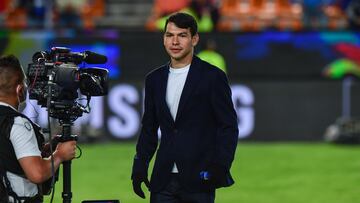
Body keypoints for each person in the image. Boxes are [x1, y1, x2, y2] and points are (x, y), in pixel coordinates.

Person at [131, 12, 238, 203]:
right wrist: (139, 166)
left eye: (182, 35)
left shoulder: (213, 77)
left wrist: (220, 166)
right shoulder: (154, 79)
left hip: (199, 180)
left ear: (194, 39)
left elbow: (228, 126)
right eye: (169, 35)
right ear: (163, 39)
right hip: (162, 181)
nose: (175, 41)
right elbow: (149, 128)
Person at [0, 55, 77, 202]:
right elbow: (37, 173)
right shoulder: (16, 123)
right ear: (19, 89)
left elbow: (5, 155)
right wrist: (60, 155)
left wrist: (46, 152)